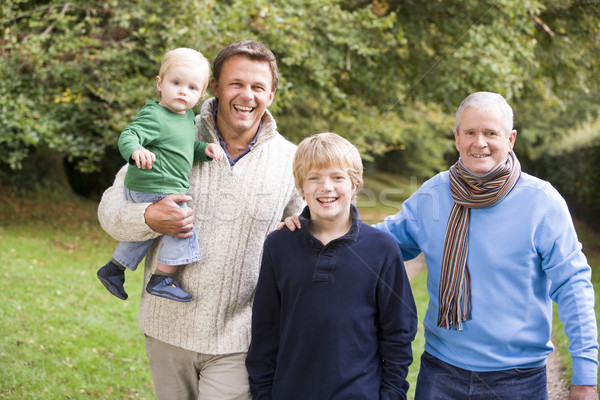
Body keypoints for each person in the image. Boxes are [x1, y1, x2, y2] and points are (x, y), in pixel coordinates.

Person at [283, 92, 599, 399]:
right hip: (441, 375)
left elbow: (573, 286)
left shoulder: (541, 203)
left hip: (518, 379)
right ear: (457, 137)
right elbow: (373, 243)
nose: (480, 142)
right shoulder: (433, 194)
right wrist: (308, 226)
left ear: (511, 139)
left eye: (491, 133)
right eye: (470, 132)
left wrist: (585, 376)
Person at [97, 40, 305, 400]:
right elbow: (110, 209)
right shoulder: (171, 130)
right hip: (166, 330)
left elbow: (308, 232)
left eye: (258, 87)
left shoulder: (290, 160)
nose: (247, 95)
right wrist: (148, 216)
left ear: (271, 94)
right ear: (215, 88)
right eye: (236, 84)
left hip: (240, 338)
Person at [246, 132, 418, 399]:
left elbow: (398, 332)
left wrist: (392, 394)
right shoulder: (278, 246)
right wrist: (263, 393)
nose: (326, 187)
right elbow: (265, 331)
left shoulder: (382, 249)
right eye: (314, 178)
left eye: (337, 177)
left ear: (354, 184)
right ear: (301, 187)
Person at [97, 48, 224, 303]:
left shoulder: (187, 118)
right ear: (159, 83)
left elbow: (183, 150)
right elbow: (128, 135)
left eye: (191, 88)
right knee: (181, 225)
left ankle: (113, 269)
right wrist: (136, 151)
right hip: (151, 182)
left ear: (201, 95)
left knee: (153, 229)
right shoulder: (155, 114)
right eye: (175, 83)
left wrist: (205, 150)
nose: (182, 91)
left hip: (162, 185)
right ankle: (162, 278)